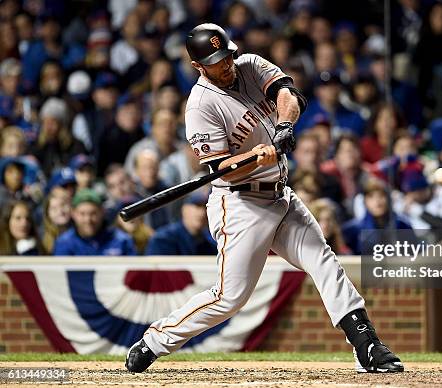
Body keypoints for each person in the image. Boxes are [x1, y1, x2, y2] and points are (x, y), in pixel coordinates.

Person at [125, 23, 403, 374]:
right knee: (230, 298)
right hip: (239, 204)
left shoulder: (250, 64)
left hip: (280, 195)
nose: (225, 65)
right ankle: (154, 340)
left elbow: (288, 94)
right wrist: (258, 157)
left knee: (323, 260)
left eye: (226, 56)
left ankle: (367, 345)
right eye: (215, 62)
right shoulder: (200, 105)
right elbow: (222, 170)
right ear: (198, 67)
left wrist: (284, 127)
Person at [53, 188, 137, 256]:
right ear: (73, 213)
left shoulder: (122, 241)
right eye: (82, 214)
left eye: (93, 213)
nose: (88, 220)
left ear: (102, 212)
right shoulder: (64, 243)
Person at [342, 179, 412, 254]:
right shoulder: (353, 229)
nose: (377, 202)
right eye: (371, 197)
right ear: (365, 201)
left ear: (388, 199)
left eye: (381, 196)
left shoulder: (403, 225)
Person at [145, 191, 216, 255]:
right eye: (197, 206)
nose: (202, 213)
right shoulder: (163, 239)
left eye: (206, 207)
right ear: (184, 209)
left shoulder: (210, 243)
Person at [39, 186, 72, 255]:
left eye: (63, 205)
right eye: (54, 209)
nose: (60, 211)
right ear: (47, 214)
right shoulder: (40, 237)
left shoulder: (81, 234)